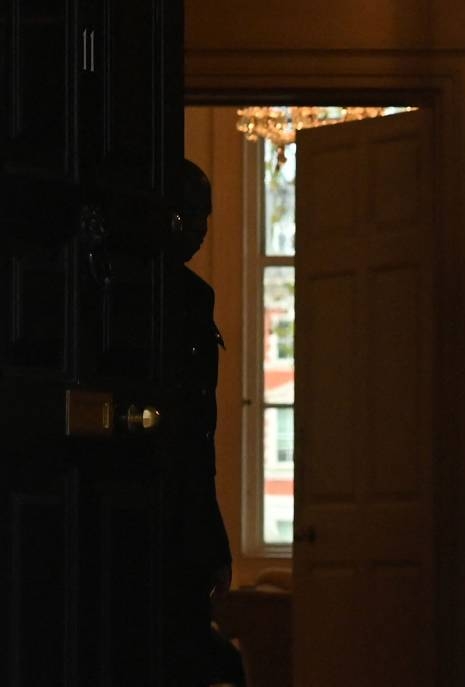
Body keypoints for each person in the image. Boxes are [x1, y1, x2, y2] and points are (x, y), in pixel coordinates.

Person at [163, 159, 243, 686]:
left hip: (187, 513)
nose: (194, 230)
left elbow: (200, 435)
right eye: (182, 214)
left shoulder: (196, 296)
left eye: (202, 217)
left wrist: (213, 541)